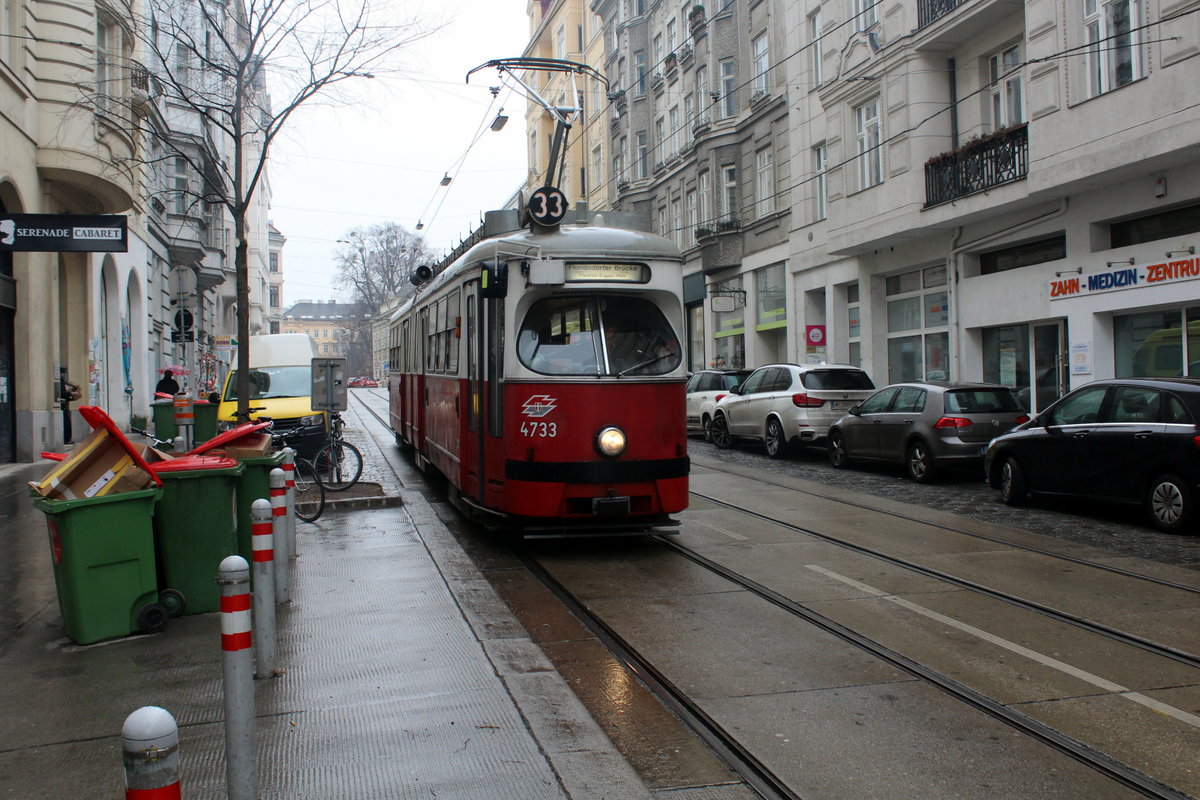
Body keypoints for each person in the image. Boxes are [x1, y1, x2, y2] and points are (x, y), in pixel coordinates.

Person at [59, 367, 80, 444]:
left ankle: (67, 439)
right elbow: (62, 393)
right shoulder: (60, 381)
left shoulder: (62, 381)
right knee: (66, 423)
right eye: (63, 373)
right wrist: (71, 393)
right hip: (62, 405)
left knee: (66, 422)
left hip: (64, 404)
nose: (63, 375)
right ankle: (66, 440)